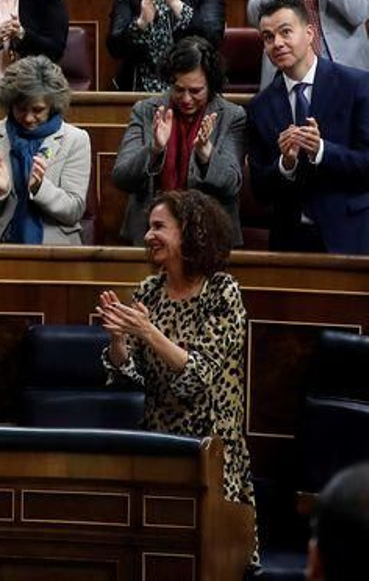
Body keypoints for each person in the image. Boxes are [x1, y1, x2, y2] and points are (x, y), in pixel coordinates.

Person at [97, 190, 255, 541]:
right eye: (148, 227)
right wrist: (119, 340)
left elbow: (199, 374)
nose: (148, 236)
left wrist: (147, 331)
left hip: (211, 451)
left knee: (206, 556)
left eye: (159, 227)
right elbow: (131, 375)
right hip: (159, 445)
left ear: (191, 232)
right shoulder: (149, 291)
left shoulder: (222, 291)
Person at [248, 0, 369, 254]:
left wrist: (322, 151)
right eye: (268, 38)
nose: (277, 43)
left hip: (351, 237)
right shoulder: (260, 107)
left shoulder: (357, 86)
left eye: (285, 32)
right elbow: (260, 189)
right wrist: (286, 164)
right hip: (291, 242)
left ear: (310, 33)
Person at [113, 36, 244, 246]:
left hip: (209, 238)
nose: (186, 99)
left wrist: (206, 152)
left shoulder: (232, 116)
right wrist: (154, 149)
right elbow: (121, 177)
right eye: (179, 89)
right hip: (151, 235)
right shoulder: (146, 111)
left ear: (211, 84)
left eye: (195, 91)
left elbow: (231, 184)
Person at [0, 56, 90, 245]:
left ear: (52, 106)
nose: (28, 118)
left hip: (55, 249)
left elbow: (73, 211)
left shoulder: (75, 139)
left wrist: (40, 188)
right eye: (21, 109)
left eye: (37, 110)